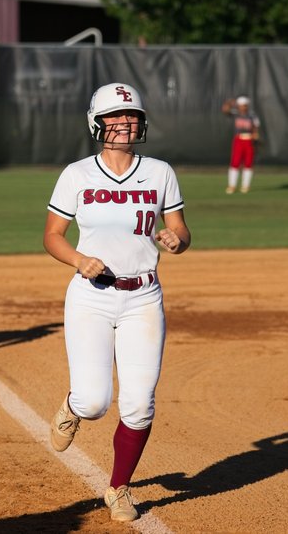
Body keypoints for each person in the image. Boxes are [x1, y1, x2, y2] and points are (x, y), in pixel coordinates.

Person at [43, 82, 191, 522]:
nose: (125, 123)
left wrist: (175, 241)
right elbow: (52, 236)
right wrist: (78, 258)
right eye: (115, 117)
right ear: (97, 123)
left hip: (144, 296)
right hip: (91, 297)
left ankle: (118, 488)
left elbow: (181, 230)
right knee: (93, 402)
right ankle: (71, 409)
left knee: (140, 404)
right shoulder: (76, 174)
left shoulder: (161, 171)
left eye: (131, 117)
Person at [221, 95, 261, 194]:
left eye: (245, 105)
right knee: (235, 163)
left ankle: (245, 186)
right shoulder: (236, 114)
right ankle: (232, 185)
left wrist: (256, 136)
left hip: (249, 140)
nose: (243, 107)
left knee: (248, 163)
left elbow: (255, 127)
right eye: (241, 105)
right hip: (239, 140)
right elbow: (225, 110)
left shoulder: (252, 115)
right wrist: (230, 102)